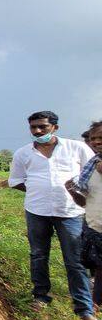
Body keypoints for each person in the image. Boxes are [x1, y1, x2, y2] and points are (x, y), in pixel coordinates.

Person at [8, 111, 102, 320]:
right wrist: (38, 191)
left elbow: (91, 172)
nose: (38, 131)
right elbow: (15, 181)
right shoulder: (23, 153)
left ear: (55, 127)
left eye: (42, 127)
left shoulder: (76, 148)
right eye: (34, 128)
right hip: (36, 210)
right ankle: (41, 296)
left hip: (69, 212)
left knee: (75, 261)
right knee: (38, 255)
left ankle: (84, 309)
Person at [66, 122, 102, 307]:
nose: (96, 142)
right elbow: (85, 201)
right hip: (94, 227)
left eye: (100, 138)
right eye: (93, 138)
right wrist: (72, 191)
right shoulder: (91, 167)